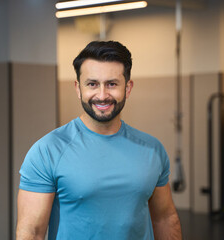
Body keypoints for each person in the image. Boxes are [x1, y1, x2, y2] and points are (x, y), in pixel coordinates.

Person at [16, 41, 182, 240]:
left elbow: (165, 218)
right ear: (78, 88)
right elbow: (31, 232)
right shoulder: (47, 151)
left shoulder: (152, 149)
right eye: (92, 84)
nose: (102, 95)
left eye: (112, 84)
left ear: (128, 88)